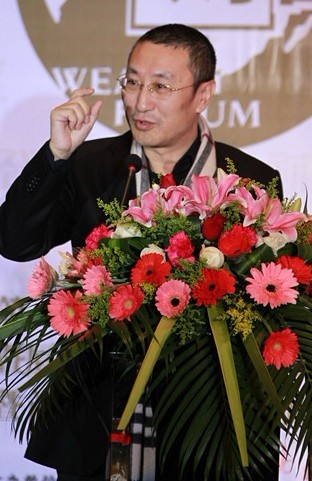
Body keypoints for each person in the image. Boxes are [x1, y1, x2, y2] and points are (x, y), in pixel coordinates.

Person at [0, 24, 282, 481]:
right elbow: (15, 242)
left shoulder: (250, 180)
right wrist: (56, 156)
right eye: (131, 82)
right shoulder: (89, 165)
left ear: (204, 94)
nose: (140, 102)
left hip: (206, 427)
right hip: (100, 418)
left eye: (160, 87)